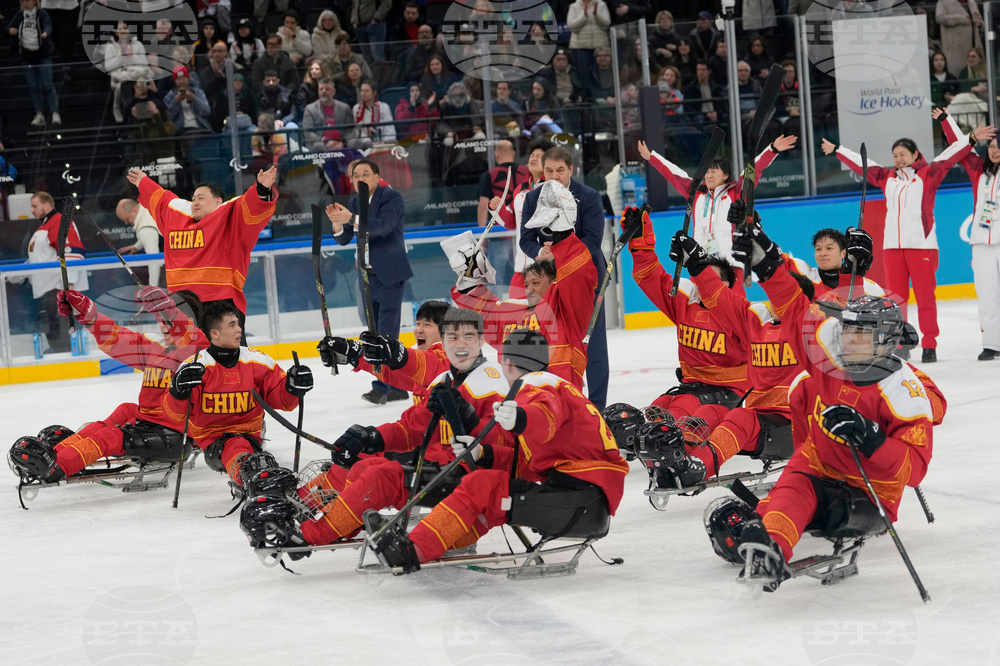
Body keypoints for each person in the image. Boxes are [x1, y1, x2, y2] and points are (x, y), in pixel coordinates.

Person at [731, 227, 936, 594]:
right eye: (848, 331)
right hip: (818, 464)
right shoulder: (830, 359)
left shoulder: (902, 389)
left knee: (823, 501)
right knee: (795, 486)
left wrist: (873, 440)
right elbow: (795, 310)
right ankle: (770, 545)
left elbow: (915, 469)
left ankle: (773, 522)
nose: (849, 340)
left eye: (861, 334)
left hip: (868, 489)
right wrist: (767, 267)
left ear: (885, 340)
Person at [245, 308, 513, 553]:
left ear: (481, 341)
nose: (460, 344)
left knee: (379, 477)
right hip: (439, 466)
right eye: (452, 337)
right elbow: (411, 427)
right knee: (362, 467)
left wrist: (470, 421)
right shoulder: (447, 379)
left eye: (468, 337)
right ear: (444, 341)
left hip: (470, 478)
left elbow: (507, 446)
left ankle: (308, 535)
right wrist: (370, 437)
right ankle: (342, 523)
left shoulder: (491, 382)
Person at [366, 327, 629, 573]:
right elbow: (526, 461)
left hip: (580, 504)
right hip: (584, 503)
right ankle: (431, 544)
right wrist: (483, 453)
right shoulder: (556, 385)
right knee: (486, 485)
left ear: (508, 364)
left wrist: (521, 419)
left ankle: (410, 551)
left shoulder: (536, 386)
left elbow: (544, 416)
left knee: (484, 488)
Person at [821, 118, 992, 362]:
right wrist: (838, 150)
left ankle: (930, 344)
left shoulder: (928, 174)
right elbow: (863, 165)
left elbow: (949, 156)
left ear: (915, 154)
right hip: (892, 249)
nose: (898, 159)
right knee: (896, 300)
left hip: (922, 247)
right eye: (895, 155)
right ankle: (900, 343)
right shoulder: (887, 177)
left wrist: (971, 138)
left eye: (903, 154)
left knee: (925, 299)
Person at [8, 287, 207, 485]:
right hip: (150, 423)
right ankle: (54, 454)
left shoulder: (199, 352)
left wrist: (172, 314)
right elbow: (117, 338)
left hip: (174, 436)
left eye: (167, 319)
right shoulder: (156, 348)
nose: (163, 325)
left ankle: (57, 468)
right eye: (160, 319)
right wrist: (90, 316)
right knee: (123, 411)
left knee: (109, 436)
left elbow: (191, 340)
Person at [455, 188, 597, 392]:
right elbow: (483, 310)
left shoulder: (567, 313)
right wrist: (468, 277)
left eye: (536, 283)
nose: (529, 289)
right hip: (516, 401)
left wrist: (563, 234)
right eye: (526, 285)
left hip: (558, 399)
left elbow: (577, 278)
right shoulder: (511, 312)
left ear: (555, 282)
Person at [164, 301, 312, 490]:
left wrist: (293, 387)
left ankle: (257, 476)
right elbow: (175, 415)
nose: (239, 329)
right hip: (213, 440)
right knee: (239, 448)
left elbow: (281, 400)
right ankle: (255, 479)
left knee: (248, 452)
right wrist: (177, 392)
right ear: (214, 333)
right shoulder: (194, 367)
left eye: (238, 324)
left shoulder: (258, 360)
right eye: (232, 325)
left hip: (251, 437)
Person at [627, 207, 749, 427]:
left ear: (725, 284)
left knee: (681, 410)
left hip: (730, 390)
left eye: (707, 277)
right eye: (699, 277)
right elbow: (650, 277)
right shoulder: (685, 300)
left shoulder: (737, 311)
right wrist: (640, 245)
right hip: (693, 386)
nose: (701, 283)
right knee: (659, 406)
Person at [126, 164, 278, 338]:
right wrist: (143, 182)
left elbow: (251, 206)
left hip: (221, 302)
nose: (195, 202)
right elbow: (161, 200)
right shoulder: (176, 218)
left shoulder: (230, 218)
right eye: (193, 198)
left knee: (227, 353)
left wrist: (262, 188)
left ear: (218, 201)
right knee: (189, 354)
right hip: (183, 304)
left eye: (201, 198)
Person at [520, 147, 608, 409]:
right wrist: (540, 252)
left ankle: (596, 409)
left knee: (592, 345)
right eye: (549, 171)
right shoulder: (533, 197)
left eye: (560, 170)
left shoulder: (589, 197)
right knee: (553, 345)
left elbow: (593, 241)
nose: (554, 176)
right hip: (549, 285)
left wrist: (560, 253)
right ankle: (556, 403)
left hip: (586, 283)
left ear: (571, 169)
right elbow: (525, 240)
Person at [326, 160, 412, 404]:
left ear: (376, 176)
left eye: (366, 173)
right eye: (356, 175)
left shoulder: (391, 197)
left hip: (390, 273)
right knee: (374, 332)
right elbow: (345, 239)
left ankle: (382, 386)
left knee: (386, 332)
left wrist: (351, 217)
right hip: (366, 276)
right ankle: (397, 385)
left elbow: (384, 227)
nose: (360, 178)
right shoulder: (355, 203)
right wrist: (337, 223)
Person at [638, 136, 795, 262]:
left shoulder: (737, 192)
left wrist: (772, 150)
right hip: (701, 263)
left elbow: (753, 169)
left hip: (731, 265)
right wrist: (651, 157)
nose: (709, 175)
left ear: (726, 175)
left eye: (714, 172)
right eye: (707, 172)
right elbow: (674, 174)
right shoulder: (696, 193)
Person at [938, 108, 1000, 359]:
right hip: (981, 243)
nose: (995, 150)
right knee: (986, 295)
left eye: (999, 146)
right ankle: (992, 343)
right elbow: (959, 146)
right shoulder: (978, 170)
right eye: (992, 146)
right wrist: (946, 121)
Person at [317, 300, 451, 408]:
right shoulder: (420, 363)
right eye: (418, 324)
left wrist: (398, 354)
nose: (419, 330)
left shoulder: (453, 359)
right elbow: (392, 374)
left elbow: (429, 365)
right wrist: (357, 354)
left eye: (427, 325)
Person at [24, 191, 87, 353]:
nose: (32, 210)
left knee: (61, 325)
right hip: (48, 289)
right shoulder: (44, 226)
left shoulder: (59, 221)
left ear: (46, 206)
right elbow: (40, 256)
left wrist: (69, 285)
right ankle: (59, 351)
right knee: (53, 324)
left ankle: (65, 353)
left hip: (57, 288)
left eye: (35, 206)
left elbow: (72, 252)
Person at [7, 0, 61, 127]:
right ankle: (39, 114)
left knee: (47, 85)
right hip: (26, 57)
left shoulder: (41, 14)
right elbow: (9, 28)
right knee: (34, 86)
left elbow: (48, 25)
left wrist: (46, 33)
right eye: (23, 1)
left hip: (42, 56)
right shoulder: (20, 15)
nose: (25, 3)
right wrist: (10, 31)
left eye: (28, 0)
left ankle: (55, 113)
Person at [104, 20, 151, 124]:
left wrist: (132, 57)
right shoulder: (110, 47)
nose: (123, 30)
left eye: (125, 28)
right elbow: (108, 67)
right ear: (116, 32)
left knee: (143, 84)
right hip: (119, 77)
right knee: (120, 87)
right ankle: (119, 110)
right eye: (120, 29)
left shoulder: (138, 44)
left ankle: (143, 118)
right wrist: (121, 57)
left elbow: (144, 63)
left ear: (129, 31)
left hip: (137, 75)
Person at [476, 140, 531, 227]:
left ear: (496, 154)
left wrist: (481, 231)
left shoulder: (489, 175)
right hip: (525, 224)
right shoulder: (527, 171)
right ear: (514, 154)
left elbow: (483, 206)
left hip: (501, 228)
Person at [116, 199, 163, 287]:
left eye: (127, 219)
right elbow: (151, 232)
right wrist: (137, 246)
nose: (126, 223)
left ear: (134, 210)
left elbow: (154, 260)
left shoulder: (145, 228)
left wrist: (153, 289)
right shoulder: (147, 205)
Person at [303, 78, 356, 152]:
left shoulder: (345, 108)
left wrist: (342, 143)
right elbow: (308, 132)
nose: (324, 91)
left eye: (327, 89)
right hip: (322, 143)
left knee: (355, 142)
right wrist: (325, 141)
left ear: (333, 91)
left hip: (341, 142)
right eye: (321, 89)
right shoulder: (309, 109)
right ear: (318, 91)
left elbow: (350, 129)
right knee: (318, 146)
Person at [936, 0, 983, 77]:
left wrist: (980, 23)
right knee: (958, 74)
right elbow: (939, 18)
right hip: (955, 46)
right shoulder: (943, 2)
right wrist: (959, 19)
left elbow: (980, 21)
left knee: (977, 74)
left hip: (974, 43)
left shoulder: (971, 2)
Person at [566, 0, 611, 77]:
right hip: (580, 47)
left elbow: (607, 24)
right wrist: (584, 16)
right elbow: (571, 27)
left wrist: (597, 14)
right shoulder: (574, 6)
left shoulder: (601, 4)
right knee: (584, 75)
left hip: (599, 46)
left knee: (601, 75)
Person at [352, 82, 396, 147]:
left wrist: (384, 142)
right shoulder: (356, 108)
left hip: (384, 143)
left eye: (366, 91)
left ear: (374, 93)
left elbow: (390, 128)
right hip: (365, 145)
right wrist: (367, 142)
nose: (363, 93)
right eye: (362, 91)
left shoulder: (384, 107)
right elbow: (357, 131)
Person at [352, 0, 391, 65]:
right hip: (359, 26)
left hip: (375, 25)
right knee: (366, 59)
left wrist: (376, 19)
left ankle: (379, 71)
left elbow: (387, 3)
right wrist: (354, 20)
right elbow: (354, 4)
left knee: (377, 57)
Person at [291, 58, 323, 125]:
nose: (313, 71)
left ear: (323, 71)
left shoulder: (327, 85)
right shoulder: (304, 87)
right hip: (308, 118)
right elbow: (301, 107)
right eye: (311, 69)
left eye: (317, 69)